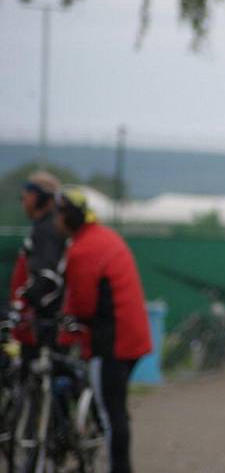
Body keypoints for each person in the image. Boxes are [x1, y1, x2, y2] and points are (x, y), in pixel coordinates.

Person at [55, 186, 152, 473]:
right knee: (116, 411)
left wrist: (67, 330)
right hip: (130, 338)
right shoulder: (102, 237)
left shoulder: (83, 249)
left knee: (111, 416)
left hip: (112, 342)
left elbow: (82, 305)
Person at [8, 170, 66, 351]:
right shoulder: (44, 226)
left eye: (29, 194)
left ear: (42, 198)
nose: (23, 199)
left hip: (42, 321)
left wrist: (25, 301)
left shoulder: (47, 229)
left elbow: (46, 277)